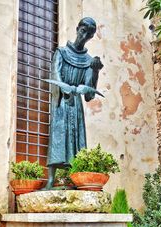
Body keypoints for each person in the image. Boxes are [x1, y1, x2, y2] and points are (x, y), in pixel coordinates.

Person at [44, 17, 103, 189]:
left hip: (76, 104)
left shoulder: (88, 60)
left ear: (91, 37)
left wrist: (95, 71)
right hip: (62, 101)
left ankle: (73, 180)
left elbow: (89, 94)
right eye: (83, 31)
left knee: (76, 141)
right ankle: (50, 180)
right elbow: (55, 75)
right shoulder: (61, 52)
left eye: (89, 34)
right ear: (77, 29)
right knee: (58, 137)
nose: (84, 36)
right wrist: (66, 90)